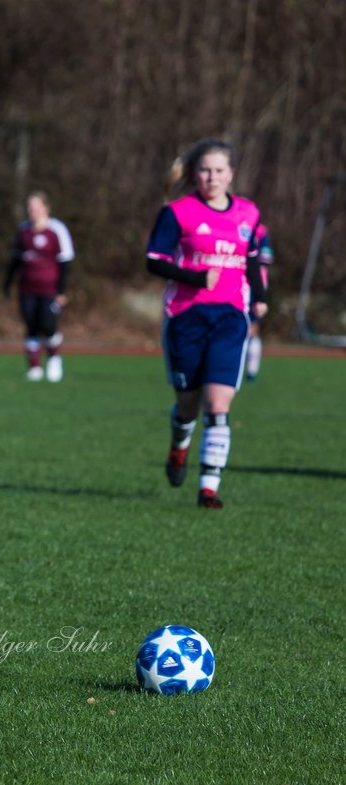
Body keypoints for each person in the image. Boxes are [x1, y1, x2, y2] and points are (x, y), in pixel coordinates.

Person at [146, 138, 267, 509]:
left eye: (219, 170)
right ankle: (179, 446)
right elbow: (154, 260)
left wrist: (260, 299)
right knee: (188, 405)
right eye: (204, 170)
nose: (211, 177)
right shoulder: (177, 213)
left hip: (231, 318)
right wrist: (196, 278)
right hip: (187, 318)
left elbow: (250, 260)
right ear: (195, 174)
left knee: (218, 405)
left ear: (231, 174)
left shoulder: (247, 213)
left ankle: (209, 488)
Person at [2, 191, 75, 382]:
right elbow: (15, 261)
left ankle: (53, 358)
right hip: (27, 289)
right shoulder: (23, 231)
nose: (32, 211)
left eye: (35, 207)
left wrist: (61, 291)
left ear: (45, 208)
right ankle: (34, 367)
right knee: (31, 325)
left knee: (48, 325)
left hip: (49, 289)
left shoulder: (56, 230)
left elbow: (65, 262)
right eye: (29, 207)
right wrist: (7, 285)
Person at [245, 223, 275, 381]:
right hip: (231, 285)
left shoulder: (260, 230)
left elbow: (266, 257)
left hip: (253, 286)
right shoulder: (226, 223)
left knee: (252, 328)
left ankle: (251, 370)